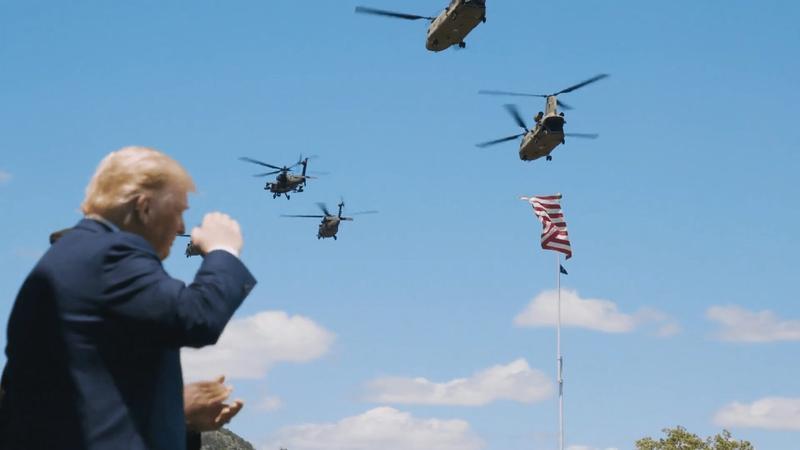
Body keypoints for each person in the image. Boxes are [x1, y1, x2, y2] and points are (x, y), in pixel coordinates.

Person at [0, 146, 257, 450]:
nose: (182, 227)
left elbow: (82, 399)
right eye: (178, 211)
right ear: (144, 207)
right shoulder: (109, 256)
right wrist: (223, 250)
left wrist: (179, 414)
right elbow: (197, 317)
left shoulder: (78, 258)